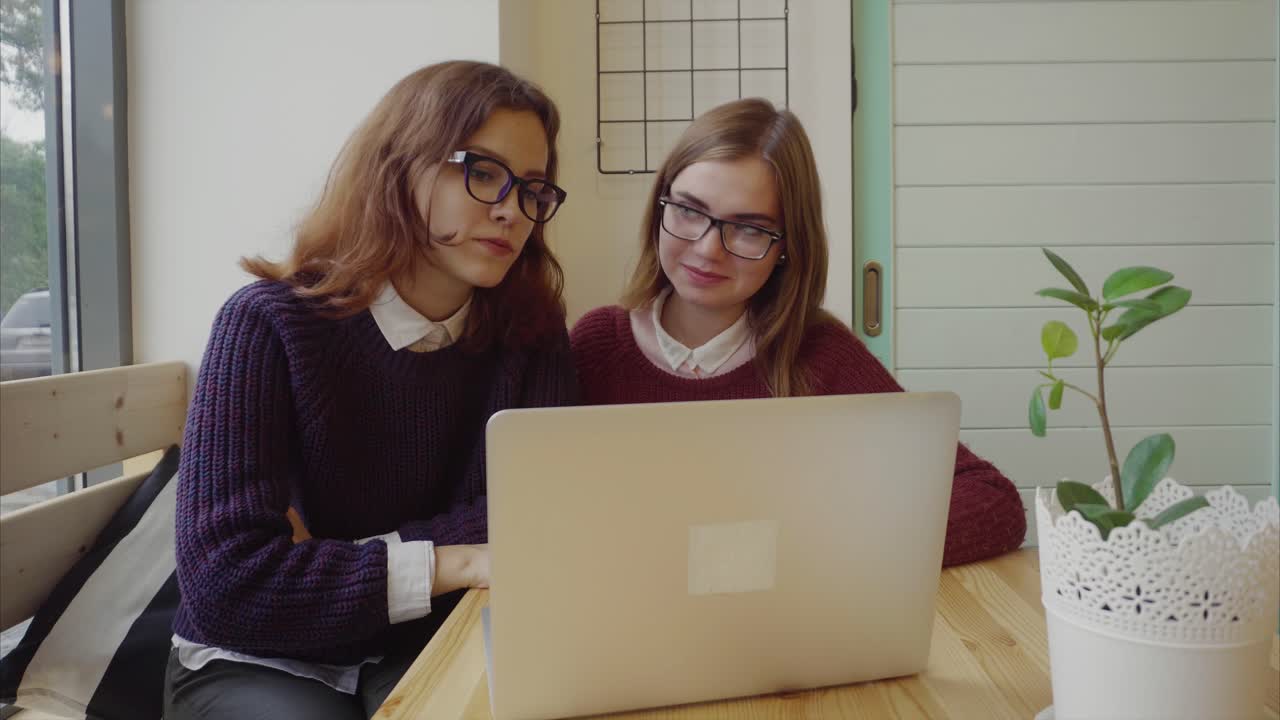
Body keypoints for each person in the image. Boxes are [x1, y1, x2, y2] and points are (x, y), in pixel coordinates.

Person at [165, 61, 577, 719]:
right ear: (398, 166)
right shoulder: (267, 324)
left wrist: (333, 559)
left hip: (431, 641)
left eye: (532, 188)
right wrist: (458, 560)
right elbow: (230, 587)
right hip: (259, 658)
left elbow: (542, 514)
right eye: (483, 172)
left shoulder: (533, 338)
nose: (510, 210)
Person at [570, 98, 1025, 566]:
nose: (708, 249)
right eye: (688, 210)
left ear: (786, 247)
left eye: (748, 229)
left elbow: (991, 502)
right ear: (659, 206)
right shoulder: (595, 346)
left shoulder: (819, 356)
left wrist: (813, 548)